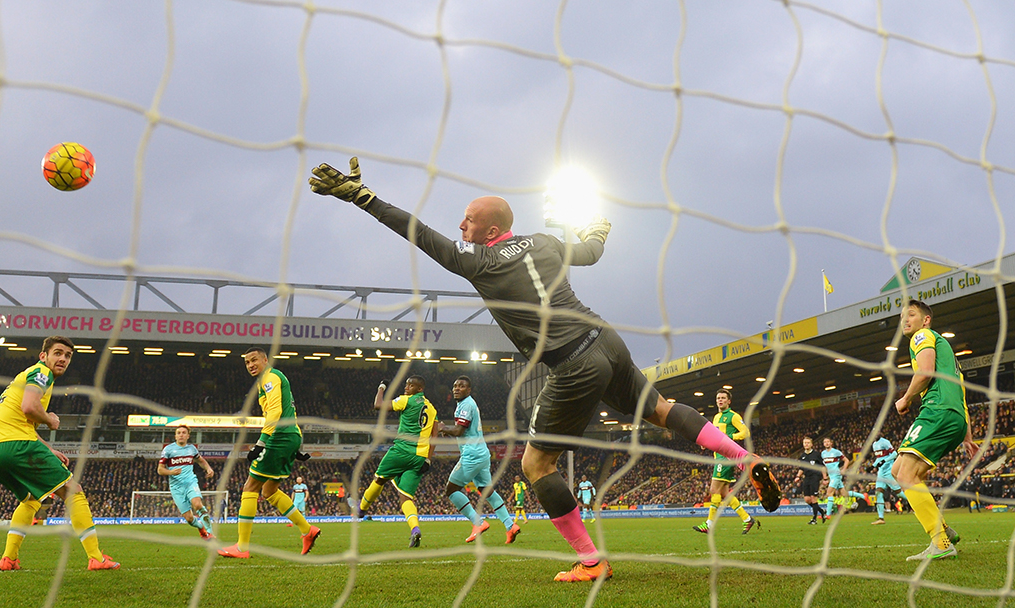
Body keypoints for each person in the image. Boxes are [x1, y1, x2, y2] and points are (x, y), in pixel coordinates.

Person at [310, 158, 781, 582]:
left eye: (469, 221)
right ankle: (745, 459)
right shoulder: (546, 241)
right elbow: (591, 253)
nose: (461, 226)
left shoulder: (477, 259)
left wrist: (361, 197)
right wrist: (598, 229)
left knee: (537, 463)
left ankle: (591, 562)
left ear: (491, 230)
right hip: (606, 339)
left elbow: (416, 231)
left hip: (571, 363)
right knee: (661, 408)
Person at [0, 336, 119, 571]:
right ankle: (96, 557)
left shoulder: (23, 378)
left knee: (31, 499)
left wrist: (48, 449)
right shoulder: (41, 373)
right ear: (43, 356)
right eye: (58, 353)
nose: (63, 359)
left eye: (67, 356)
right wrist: (50, 420)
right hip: (17, 446)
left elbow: (20, 420)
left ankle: (9, 558)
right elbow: (29, 408)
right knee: (73, 490)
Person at [892, 299, 976, 561]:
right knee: (899, 470)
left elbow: (926, 372)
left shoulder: (922, 336)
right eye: (903, 316)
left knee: (905, 473)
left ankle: (939, 542)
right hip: (956, 418)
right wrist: (968, 436)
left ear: (925, 320)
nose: (905, 320)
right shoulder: (948, 355)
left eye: (911, 315)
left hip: (937, 411)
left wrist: (905, 399)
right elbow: (960, 391)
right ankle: (943, 531)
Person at [218, 347, 321, 558]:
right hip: (290, 436)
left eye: (254, 360)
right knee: (269, 491)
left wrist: (261, 442)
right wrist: (295, 446)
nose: (250, 365)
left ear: (265, 359)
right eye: (247, 362)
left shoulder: (270, 377)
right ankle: (307, 530)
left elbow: (275, 411)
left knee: (250, 486)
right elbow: (290, 409)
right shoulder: (270, 379)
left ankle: (242, 547)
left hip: (279, 437)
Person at [356, 375, 438, 548]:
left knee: (380, 478)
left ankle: (361, 509)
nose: (406, 387)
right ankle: (415, 529)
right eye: (406, 384)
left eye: (411, 385)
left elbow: (378, 405)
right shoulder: (432, 409)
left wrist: (381, 387)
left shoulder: (405, 400)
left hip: (401, 451)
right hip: (420, 457)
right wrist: (428, 460)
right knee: (405, 497)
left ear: (420, 389)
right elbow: (434, 437)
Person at [437, 375, 521, 544]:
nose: (457, 388)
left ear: (469, 390)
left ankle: (479, 523)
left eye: (461, 386)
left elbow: (460, 431)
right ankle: (510, 525)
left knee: (451, 490)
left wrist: (443, 428)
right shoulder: (465, 404)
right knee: (486, 490)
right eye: (455, 386)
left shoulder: (467, 404)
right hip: (481, 453)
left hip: (472, 455)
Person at [691, 389, 759, 535]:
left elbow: (745, 432)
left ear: (729, 401)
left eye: (723, 398)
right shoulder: (716, 417)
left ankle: (709, 524)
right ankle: (747, 519)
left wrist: (729, 436)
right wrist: (706, 442)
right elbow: (714, 436)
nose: (720, 400)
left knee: (714, 490)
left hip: (726, 457)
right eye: (718, 398)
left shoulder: (733, 416)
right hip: (718, 456)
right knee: (723, 493)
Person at [158, 424, 216, 539]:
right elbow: (160, 470)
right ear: (175, 436)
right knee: (189, 518)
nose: (181, 435)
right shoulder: (168, 449)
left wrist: (208, 468)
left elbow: (201, 461)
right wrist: (171, 472)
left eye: (184, 433)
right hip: (176, 487)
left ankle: (210, 533)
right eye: (178, 433)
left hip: (190, 482)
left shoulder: (191, 449)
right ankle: (201, 527)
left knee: (198, 504)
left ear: (188, 436)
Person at [867, 436, 906, 525]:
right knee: (878, 493)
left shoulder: (885, 442)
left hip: (889, 471)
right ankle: (881, 518)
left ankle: (918, 503)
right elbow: (879, 458)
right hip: (881, 472)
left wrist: (884, 461)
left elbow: (894, 454)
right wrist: (873, 466)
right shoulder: (874, 444)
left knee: (899, 493)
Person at [795, 436, 827, 524]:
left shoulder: (816, 454)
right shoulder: (803, 456)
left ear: (811, 444)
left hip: (815, 477)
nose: (806, 444)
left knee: (813, 498)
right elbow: (801, 468)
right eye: (805, 443)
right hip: (807, 478)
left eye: (808, 443)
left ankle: (814, 519)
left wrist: (825, 478)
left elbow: (822, 466)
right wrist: (798, 476)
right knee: (807, 499)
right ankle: (821, 511)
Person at [820, 437, 849, 517]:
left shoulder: (836, 452)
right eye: (825, 442)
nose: (826, 443)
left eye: (828, 442)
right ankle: (861, 496)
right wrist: (825, 477)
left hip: (836, 475)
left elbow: (846, 460)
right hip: (831, 476)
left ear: (831, 443)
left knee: (829, 493)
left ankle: (828, 514)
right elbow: (824, 466)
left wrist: (844, 469)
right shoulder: (823, 454)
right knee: (843, 493)